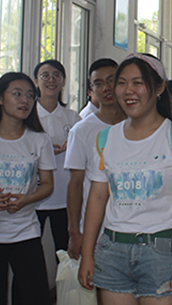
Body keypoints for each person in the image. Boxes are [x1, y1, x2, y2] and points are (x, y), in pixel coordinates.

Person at [78, 53, 172, 304]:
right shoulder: (105, 139)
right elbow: (97, 199)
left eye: (138, 82)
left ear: (158, 88)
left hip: (162, 251)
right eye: (121, 83)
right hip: (112, 250)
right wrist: (87, 254)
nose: (128, 91)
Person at [0, 72, 55, 305]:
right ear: (0, 98)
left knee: (34, 296)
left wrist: (27, 199)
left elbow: (47, 185)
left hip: (26, 230)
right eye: (17, 94)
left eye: (30, 95)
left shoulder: (39, 139)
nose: (25, 101)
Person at [65, 58, 125, 260]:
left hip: (134, 226)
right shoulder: (82, 130)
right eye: (98, 83)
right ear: (92, 90)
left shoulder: (138, 124)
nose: (106, 88)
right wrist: (74, 231)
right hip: (96, 229)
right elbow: (75, 184)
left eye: (111, 80)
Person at [33, 60, 81, 255]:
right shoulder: (28, 116)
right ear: (36, 81)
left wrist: (74, 146)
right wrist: (44, 152)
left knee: (65, 254)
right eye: (45, 76)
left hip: (65, 198)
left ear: (63, 81)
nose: (51, 80)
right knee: (31, 254)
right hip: (34, 198)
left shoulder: (72, 117)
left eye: (56, 76)